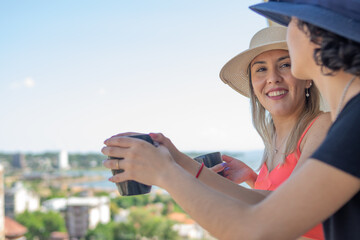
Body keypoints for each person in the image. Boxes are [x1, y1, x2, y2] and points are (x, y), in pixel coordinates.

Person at [102, 1, 360, 239]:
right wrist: (176, 158)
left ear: (316, 35)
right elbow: (272, 206)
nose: (288, 30)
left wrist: (165, 173)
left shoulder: (350, 124)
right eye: (261, 69)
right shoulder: (349, 119)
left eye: (292, 21)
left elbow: (256, 229)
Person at [212, 26, 330, 240]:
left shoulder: (322, 126)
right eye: (261, 69)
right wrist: (252, 178)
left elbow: (288, 207)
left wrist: (179, 174)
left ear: (307, 77)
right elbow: (280, 192)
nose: (272, 78)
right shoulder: (274, 139)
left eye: (285, 64)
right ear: (253, 85)